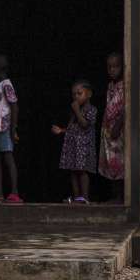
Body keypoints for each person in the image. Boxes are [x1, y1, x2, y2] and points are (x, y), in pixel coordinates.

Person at [52, 80, 98, 204]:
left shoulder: (91, 109)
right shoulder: (73, 112)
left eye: (79, 93)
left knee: (82, 171)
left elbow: (84, 125)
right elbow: (73, 128)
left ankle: (85, 197)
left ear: (89, 94)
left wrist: (77, 111)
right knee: (73, 170)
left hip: (83, 147)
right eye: (74, 94)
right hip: (73, 146)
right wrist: (61, 130)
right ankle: (77, 197)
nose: (76, 97)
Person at [0, 55, 21, 204]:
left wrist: (13, 129)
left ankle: (14, 192)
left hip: (4, 128)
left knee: (8, 158)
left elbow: (14, 107)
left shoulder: (6, 84)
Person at [100, 53, 126, 203]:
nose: (112, 70)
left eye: (115, 66)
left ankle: (121, 197)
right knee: (110, 164)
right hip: (108, 131)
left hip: (119, 131)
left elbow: (124, 108)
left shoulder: (125, 85)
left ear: (122, 67)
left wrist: (118, 125)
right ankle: (115, 196)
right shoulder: (110, 85)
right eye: (109, 67)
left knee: (120, 163)